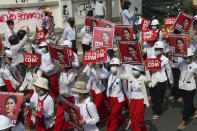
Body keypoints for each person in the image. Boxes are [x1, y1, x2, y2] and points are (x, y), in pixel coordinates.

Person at [168, 48, 197, 130]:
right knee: (188, 102)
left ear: (191, 56)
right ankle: (195, 112)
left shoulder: (195, 66)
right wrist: (170, 59)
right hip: (182, 87)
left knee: (186, 105)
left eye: (187, 57)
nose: (186, 59)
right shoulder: (182, 63)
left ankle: (184, 121)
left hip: (190, 88)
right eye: (184, 57)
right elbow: (173, 65)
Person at [117, 64, 150, 131]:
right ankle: (141, 128)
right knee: (133, 116)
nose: (134, 71)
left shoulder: (143, 78)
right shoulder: (130, 76)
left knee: (138, 117)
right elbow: (119, 75)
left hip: (141, 100)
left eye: (135, 70)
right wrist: (119, 67)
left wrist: (146, 69)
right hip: (132, 100)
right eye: (133, 69)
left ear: (139, 71)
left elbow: (148, 79)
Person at [97, 57, 126, 131]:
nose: (112, 67)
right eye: (111, 65)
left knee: (113, 115)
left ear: (118, 66)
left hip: (119, 99)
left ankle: (112, 129)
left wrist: (129, 99)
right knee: (116, 114)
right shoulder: (110, 74)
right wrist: (98, 68)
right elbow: (101, 76)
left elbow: (125, 89)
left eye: (114, 65)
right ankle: (123, 121)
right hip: (111, 98)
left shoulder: (122, 76)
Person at [150, 41, 174, 119]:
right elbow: (149, 69)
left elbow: (169, 70)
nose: (157, 50)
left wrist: (171, 81)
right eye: (156, 49)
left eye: (159, 49)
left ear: (162, 50)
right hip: (153, 80)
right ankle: (157, 106)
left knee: (159, 97)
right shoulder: (152, 57)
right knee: (153, 96)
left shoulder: (165, 59)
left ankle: (157, 112)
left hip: (162, 80)